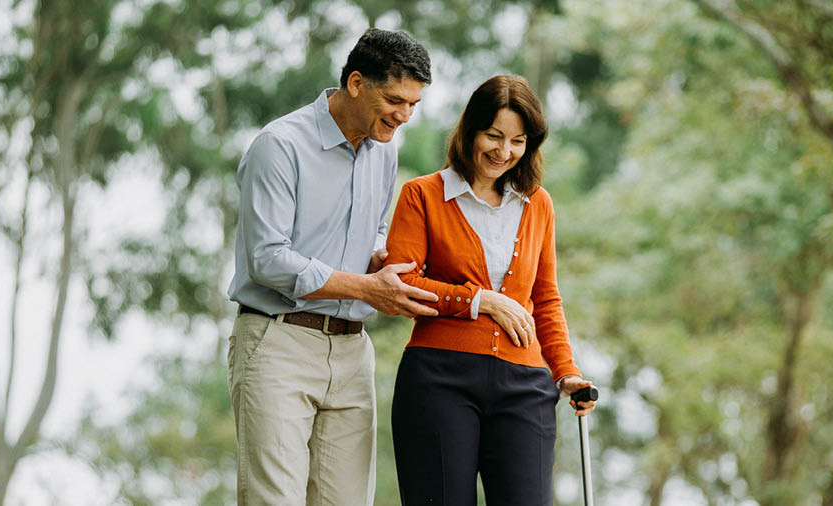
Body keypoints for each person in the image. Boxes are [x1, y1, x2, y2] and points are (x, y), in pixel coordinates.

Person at [226, 28, 438, 506]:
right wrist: (366, 287)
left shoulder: (384, 149)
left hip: (351, 352)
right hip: (278, 342)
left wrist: (382, 255)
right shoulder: (279, 145)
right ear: (357, 82)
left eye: (413, 104)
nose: (404, 116)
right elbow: (267, 259)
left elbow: (373, 228)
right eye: (395, 100)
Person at [385, 74, 598, 506]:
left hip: (525, 385)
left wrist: (566, 372)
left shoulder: (538, 203)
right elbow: (401, 283)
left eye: (518, 141)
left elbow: (546, 298)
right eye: (493, 135)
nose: (504, 152)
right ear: (470, 130)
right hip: (438, 379)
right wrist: (482, 301)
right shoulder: (421, 196)